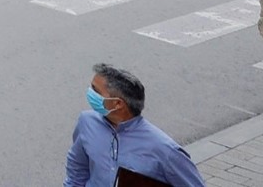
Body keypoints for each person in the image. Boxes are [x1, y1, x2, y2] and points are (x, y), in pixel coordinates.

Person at [64, 63, 205, 187]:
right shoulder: (87, 122)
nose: (90, 93)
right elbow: (77, 168)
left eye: (96, 91)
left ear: (118, 103)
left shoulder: (165, 150)